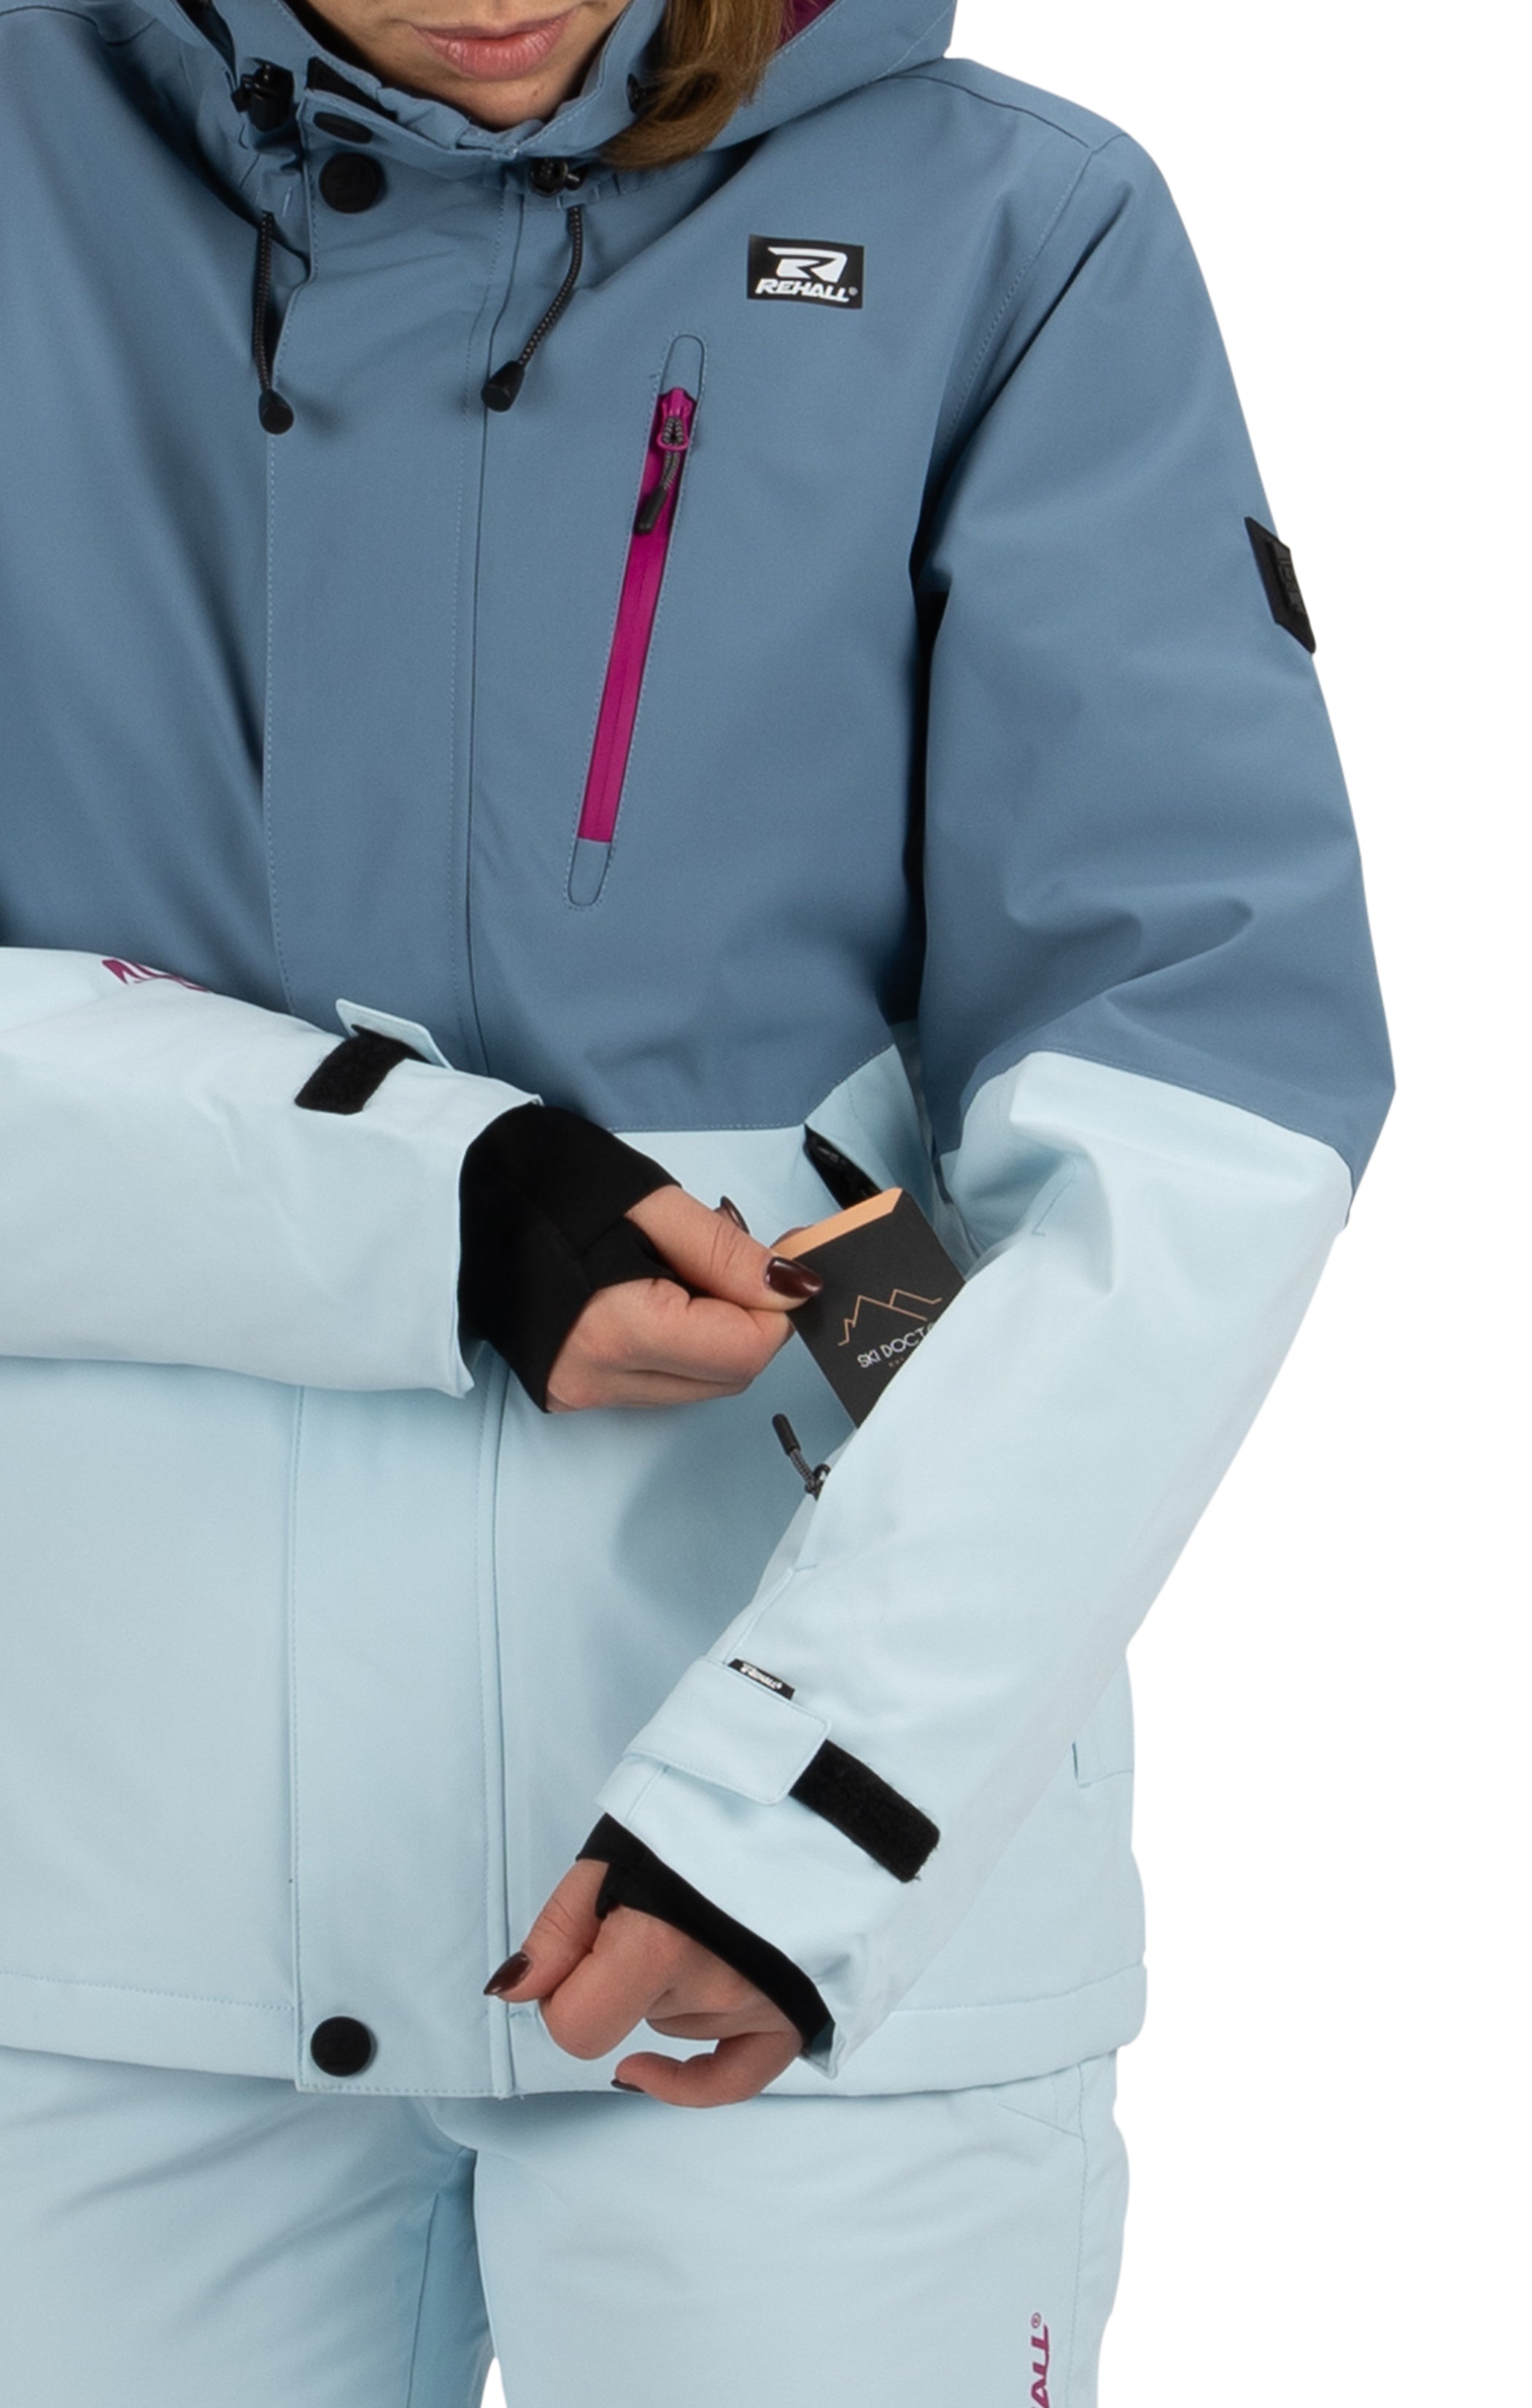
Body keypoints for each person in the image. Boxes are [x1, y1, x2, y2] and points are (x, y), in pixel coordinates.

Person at [0, 0, 1391, 2399]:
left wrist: (822, 1802)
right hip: (94, 1914)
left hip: (804, 1910)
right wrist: (428, 1203)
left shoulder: (1004, 231)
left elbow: (1197, 1106)